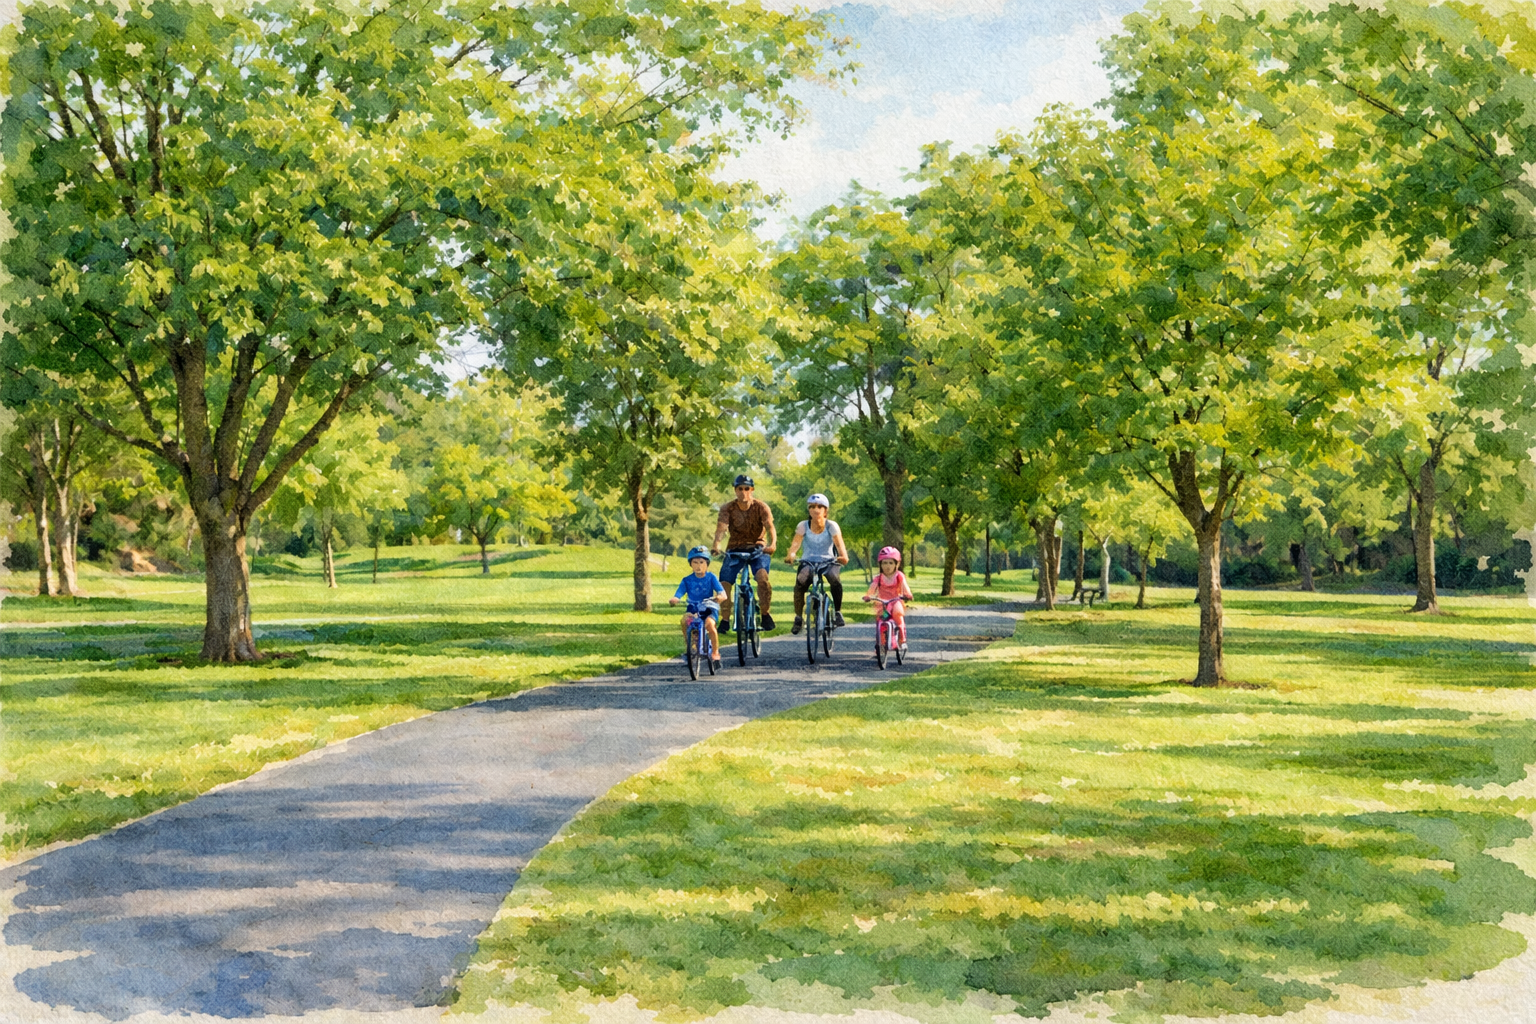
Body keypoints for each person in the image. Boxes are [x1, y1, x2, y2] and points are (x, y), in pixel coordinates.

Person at [712, 474, 777, 631]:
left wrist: (773, 544)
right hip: (735, 548)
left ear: (752, 490)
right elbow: (722, 527)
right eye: (740, 489)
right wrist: (716, 544)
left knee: (762, 579)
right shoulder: (727, 508)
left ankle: (765, 614)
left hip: (758, 548)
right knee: (724, 583)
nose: (743, 492)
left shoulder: (761, 507)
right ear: (735, 490)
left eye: (747, 488)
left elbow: (769, 527)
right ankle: (725, 619)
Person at [785, 492, 849, 635]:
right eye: (812, 506)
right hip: (808, 561)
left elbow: (840, 546)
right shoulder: (803, 526)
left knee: (834, 578)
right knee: (801, 581)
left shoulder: (831, 526)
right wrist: (791, 555)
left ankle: (838, 612)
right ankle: (798, 617)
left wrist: (843, 556)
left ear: (825, 510)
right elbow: (795, 544)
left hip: (829, 561)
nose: (815, 509)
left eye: (820, 506)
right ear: (808, 510)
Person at [669, 546, 724, 671]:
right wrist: (675, 599)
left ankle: (715, 653)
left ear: (707, 564)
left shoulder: (711, 577)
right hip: (693, 608)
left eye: (701, 562)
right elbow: (679, 593)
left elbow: (722, 592)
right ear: (690, 564)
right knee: (685, 621)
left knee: (710, 625)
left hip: (708, 608)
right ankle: (691, 648)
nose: (698, 566)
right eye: (695, 562)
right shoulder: (687, 580)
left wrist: (720, 597)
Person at [863, 545, 914, 651]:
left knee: (898, 614)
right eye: (884, 563)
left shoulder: (899, 576)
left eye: (891, 563)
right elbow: (873, 588)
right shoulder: (879, 578)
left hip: (896, 601)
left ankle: (902, 639)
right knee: (880, 619)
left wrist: (907, 594)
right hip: (882, 602)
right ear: (880, 564)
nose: (887, 566)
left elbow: (905, 586)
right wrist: (868, 596)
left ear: (897, 564)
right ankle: (880, 643)